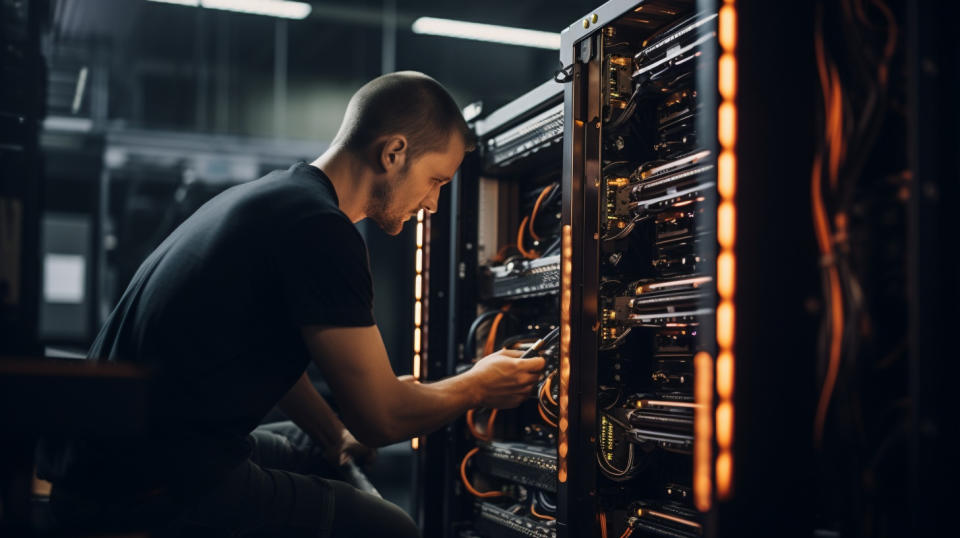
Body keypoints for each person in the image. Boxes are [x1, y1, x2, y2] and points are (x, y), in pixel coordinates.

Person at [37, 71, 546, 537]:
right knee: (391, 530)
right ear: (393, 153)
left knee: (315, 449)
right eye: (435, 180)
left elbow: (273, 358)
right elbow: (382, 420)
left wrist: (334, 432)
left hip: (113, 457)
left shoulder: (278, 198)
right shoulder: (322, 232)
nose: (433, 203)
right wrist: (478, 384)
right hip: (146, 488)